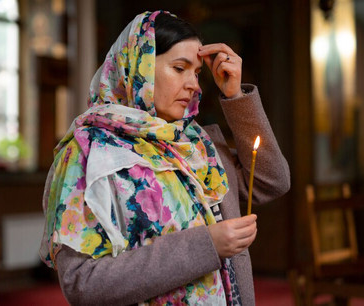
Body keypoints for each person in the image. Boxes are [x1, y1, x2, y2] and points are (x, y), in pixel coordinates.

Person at [39, 10, 290, 306]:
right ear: (139, 67)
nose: (195, 85)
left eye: (196, 73)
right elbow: (82, 283)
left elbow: (272, 181)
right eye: (179, 68)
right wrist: (206, 245)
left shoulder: (196, 144)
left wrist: (235, 97)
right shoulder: (89, 153)